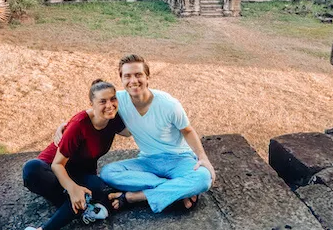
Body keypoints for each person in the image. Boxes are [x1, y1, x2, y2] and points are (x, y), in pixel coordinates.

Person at [101, 54, 215, 213]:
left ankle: (133, 197)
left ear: (147, 77)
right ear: (121, 79)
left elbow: (188, 131)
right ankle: (177, 189)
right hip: (148, 161)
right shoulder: (118, 100)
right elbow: (93, 112)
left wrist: (203, 158)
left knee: (203, 178)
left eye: (138, 74)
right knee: (108, 173)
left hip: (179, 159)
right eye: (127, 76)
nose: (133, 80)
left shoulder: (169, 104)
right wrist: (65, 126)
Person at [22, 79, 127, 230]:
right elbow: (57, 165)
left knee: (97, 186)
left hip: (78, 173)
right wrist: (72, 188)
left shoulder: (114, 119)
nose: (109, 105)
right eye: (102, 101)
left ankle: (75, 205)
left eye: (113, 99)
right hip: (52, 171)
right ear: (92, 104)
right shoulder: (79, 125)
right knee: (31, 167)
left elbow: (133, 130)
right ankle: (78, 204)